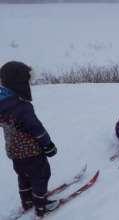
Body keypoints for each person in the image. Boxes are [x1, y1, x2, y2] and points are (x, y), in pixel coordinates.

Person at [0, 61, 58, 218]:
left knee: (23, 175)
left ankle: (27, 202)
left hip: (14, 151)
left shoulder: (2, 102)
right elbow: (36, 128)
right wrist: (48, 145)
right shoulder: (22, 107)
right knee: (41, 174)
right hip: (31, 151)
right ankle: (41, 205)